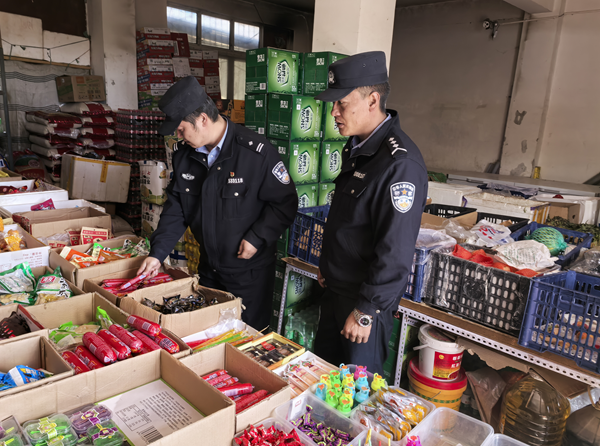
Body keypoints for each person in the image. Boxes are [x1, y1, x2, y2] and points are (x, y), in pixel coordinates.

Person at [138, 76, 298, 330]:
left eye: (181, 129)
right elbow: (177, 208)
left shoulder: (255, 153)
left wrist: (258, 236)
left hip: (249, 274)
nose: (178, 136)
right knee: (211, 337)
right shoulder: (184, 157)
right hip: (209, 269)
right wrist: (158, 253)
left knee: (248, 340)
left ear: (202, 119)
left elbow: (285, 203)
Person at [313, 51, 428, 374]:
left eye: (341, 104)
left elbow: (395, 249)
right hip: (338, 291)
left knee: (355, 397)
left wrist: (366, 309)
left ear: (372, 100)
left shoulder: (399, 164)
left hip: (362, 305)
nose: (334, 112)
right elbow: (351, 222)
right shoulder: (359, 147)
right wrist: (328, 266)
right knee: (323, 384)